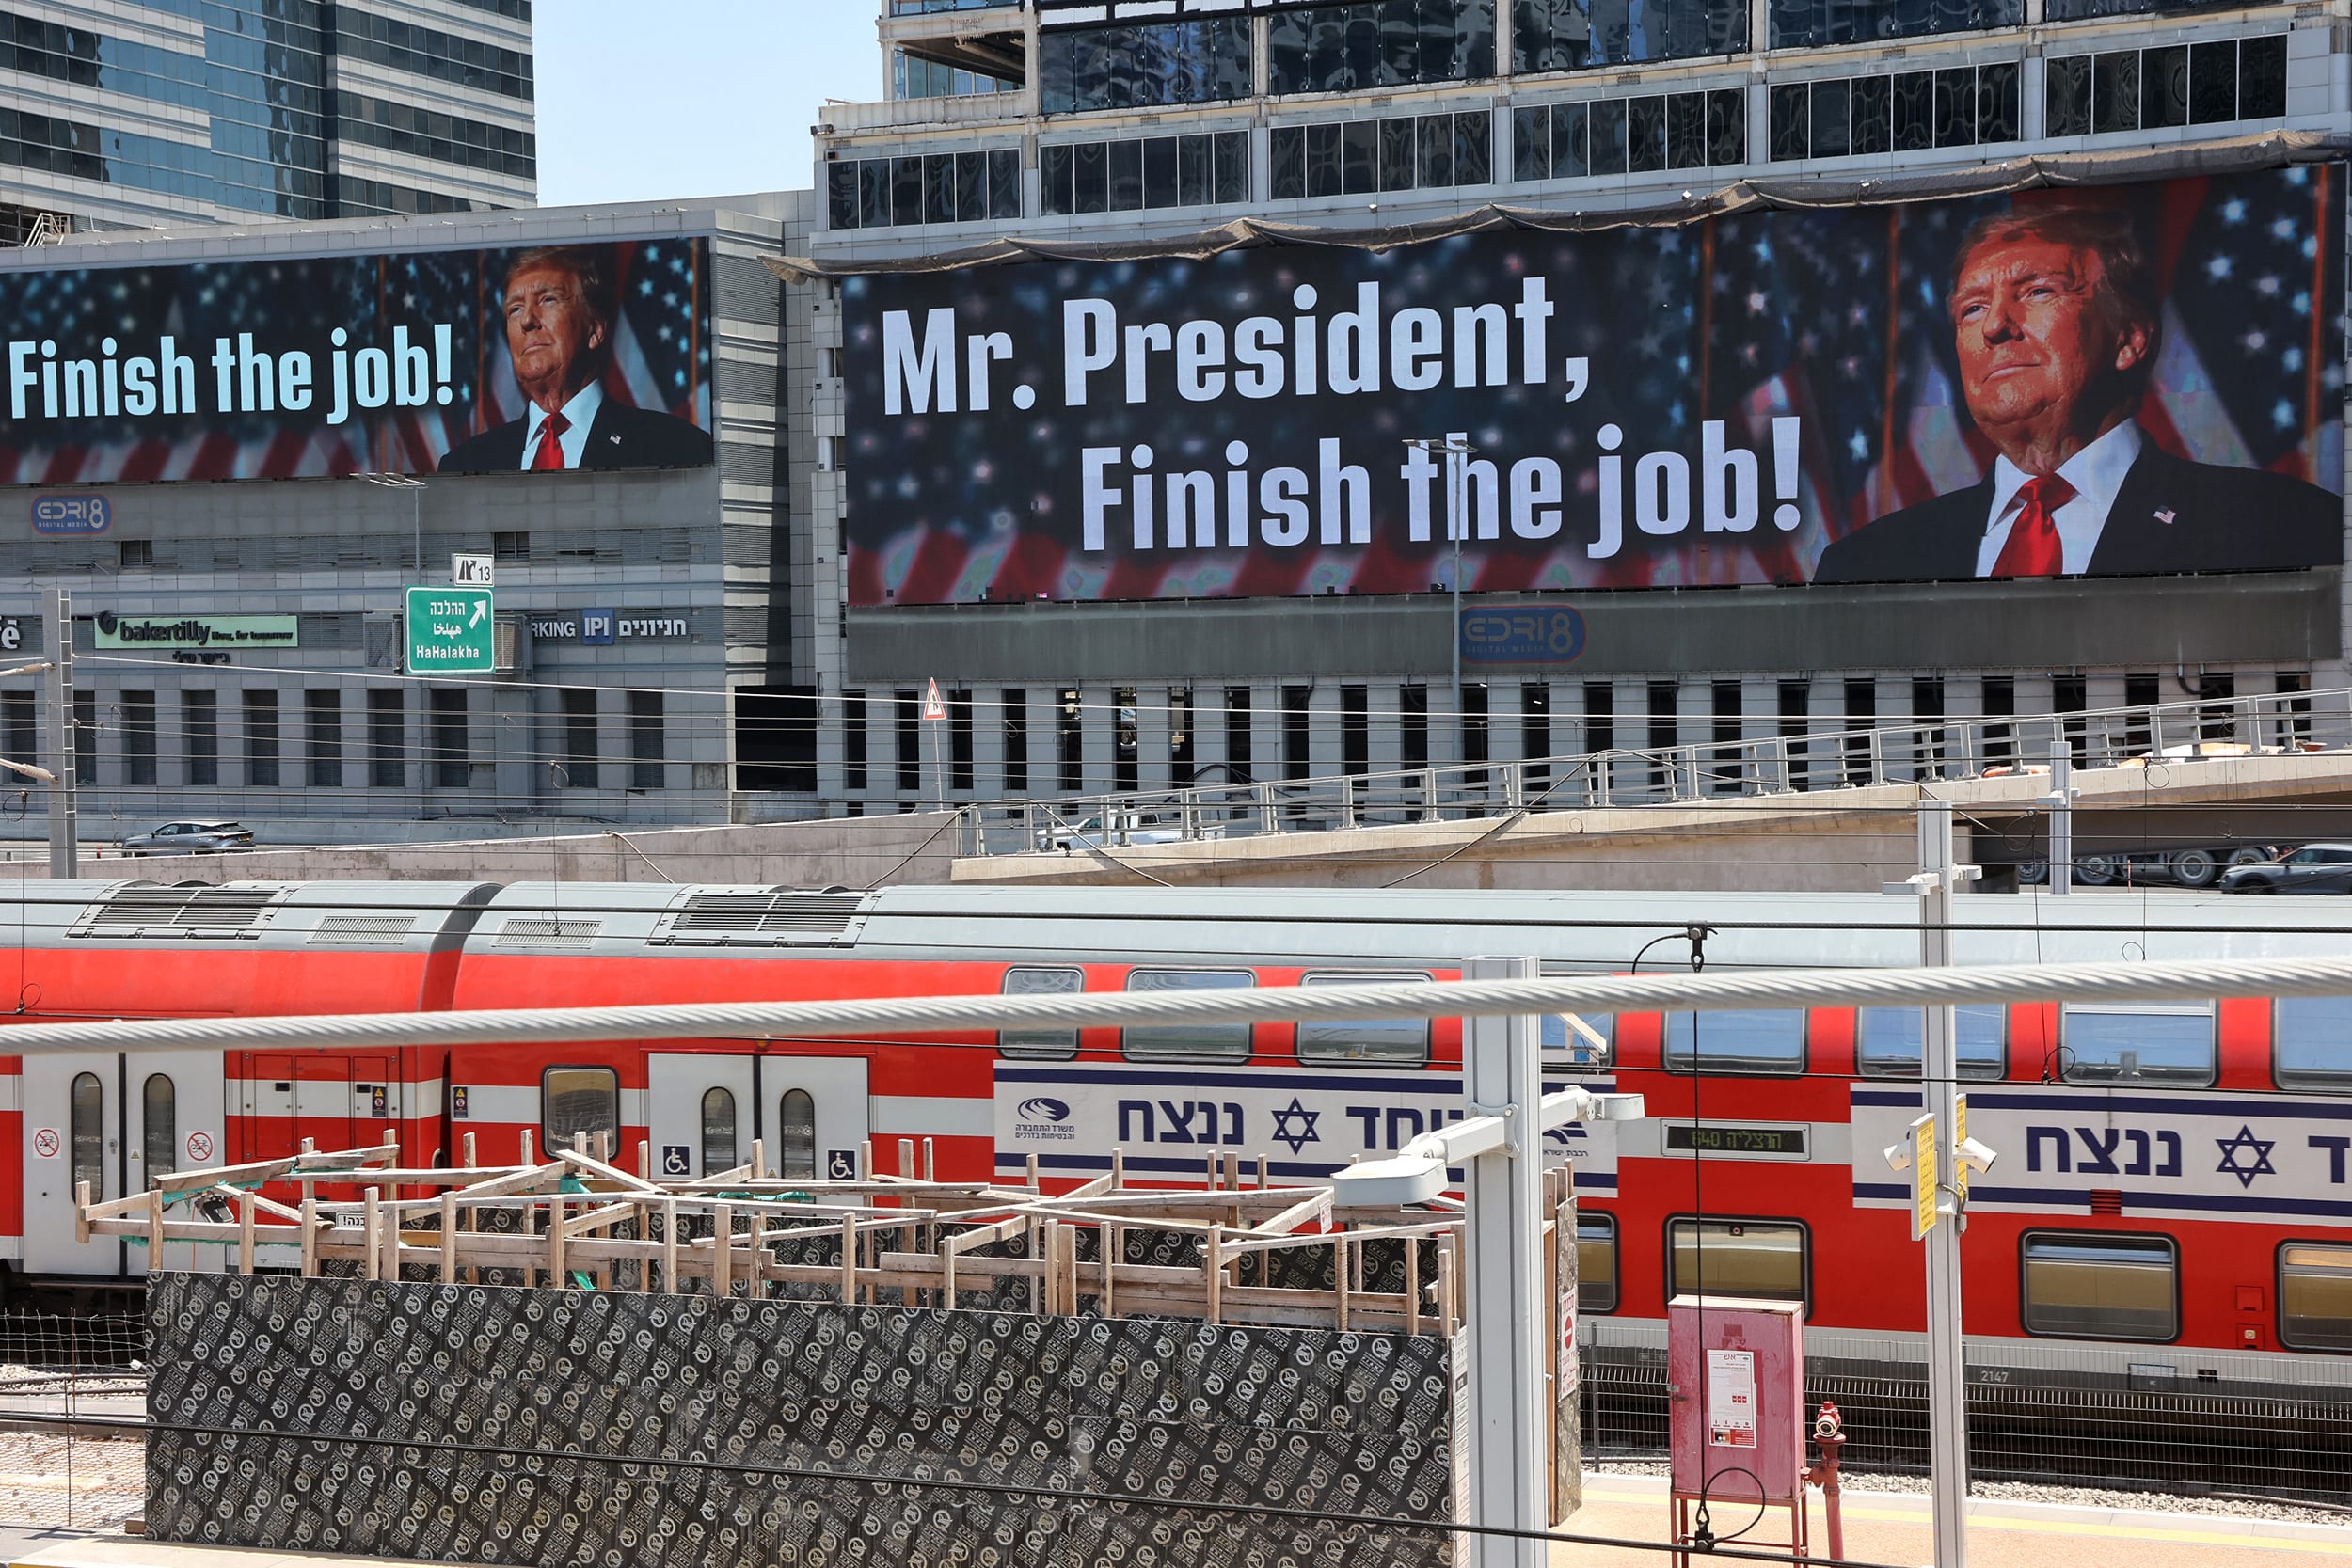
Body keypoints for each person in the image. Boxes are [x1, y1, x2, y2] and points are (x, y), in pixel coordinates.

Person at [1813, 205, 2339, 584]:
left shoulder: (2280, 524)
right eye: (1972, 308)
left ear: (2129, 339)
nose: (1995, 325)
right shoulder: (1865, 564)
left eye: (2037, 292)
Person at [437, 246, 712, 474]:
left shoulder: (675, 447)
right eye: (515, 308)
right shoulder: (463, 465)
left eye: (547, 300)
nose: (528, 321)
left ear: (594, 330)